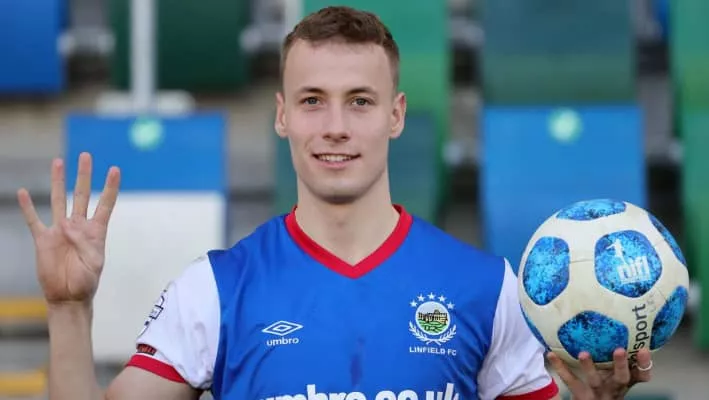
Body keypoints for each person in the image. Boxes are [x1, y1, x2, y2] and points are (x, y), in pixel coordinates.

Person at [17, 6, 654, 400]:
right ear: (282, 116)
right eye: (312, 101)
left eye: (360, 102)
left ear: (396, 115)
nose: (336, 128)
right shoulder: (216, 288)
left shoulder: (487, 290)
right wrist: (69, 310)